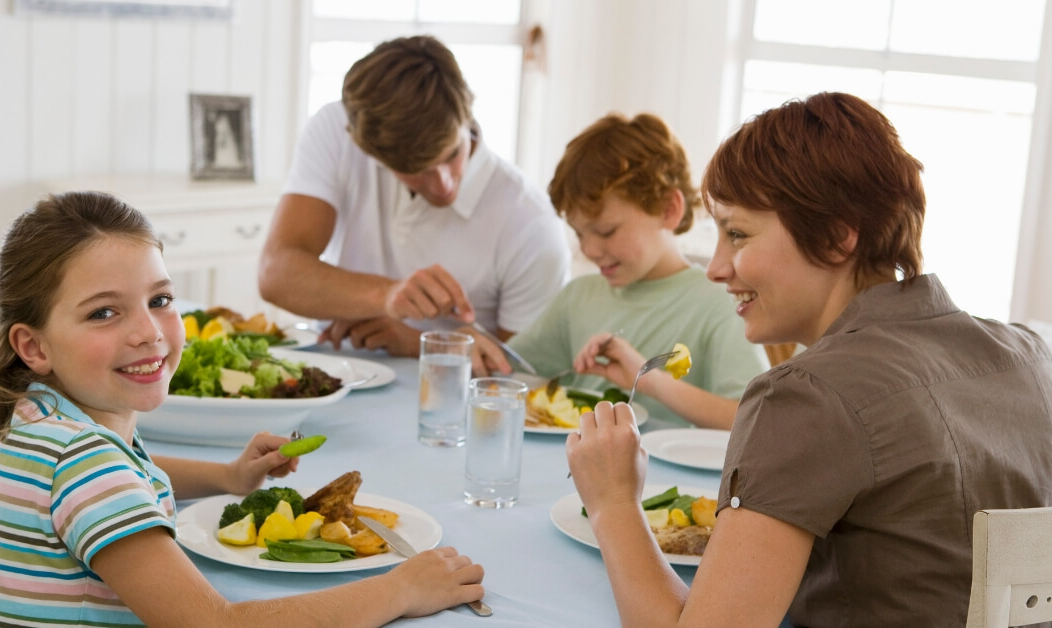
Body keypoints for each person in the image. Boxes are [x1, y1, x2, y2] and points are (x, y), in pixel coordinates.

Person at [565, 92, 1052, 626]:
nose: (716, 268)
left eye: (738, 234)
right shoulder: (1029, 354)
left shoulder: (805, 394)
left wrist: (613, 503)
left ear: (838, 236)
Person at [0, 192, 485, 626]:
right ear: (34, 347)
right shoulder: (84, 464)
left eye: (160, 300)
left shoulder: (44, 421)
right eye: (104, 313)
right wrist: (400, 589)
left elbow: (125, 473)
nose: (148, 333)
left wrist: (227, 477)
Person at [258, 35, 570, 362]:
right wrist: (387, 295)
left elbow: (526, 378)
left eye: (452, 154)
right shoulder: (334, 131)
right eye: (416, 170)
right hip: (333, 372)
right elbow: (275, 273)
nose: (443, 185)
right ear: (370, 153)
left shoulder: (531, 224)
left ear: (468, 114)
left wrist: (424, 344)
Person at [503, 113, 766, 429]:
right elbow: (508, 372)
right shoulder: (579, 296)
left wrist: (650, 380)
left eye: (605, 231)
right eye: (579, 233)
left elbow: (753, 420)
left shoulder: (722, 303)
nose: (589, 250)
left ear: (668, 210)